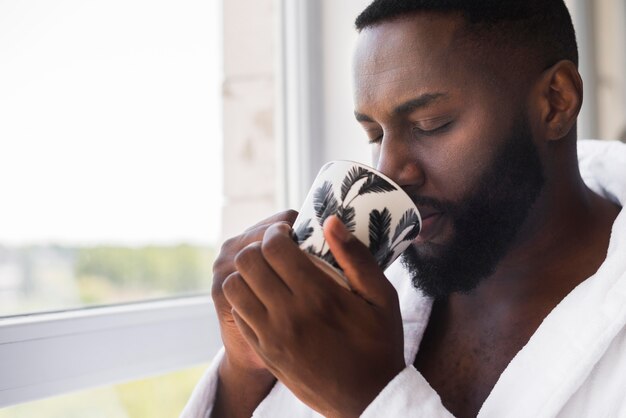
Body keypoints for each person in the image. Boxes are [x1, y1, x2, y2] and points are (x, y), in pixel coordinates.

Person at [182, 1, 626, 417]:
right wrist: (244, 374)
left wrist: (373, 400)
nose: (390, 170)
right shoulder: (357, 285)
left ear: (556, 102)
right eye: (375, 134)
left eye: (430, 125)